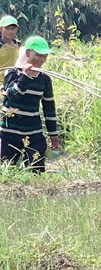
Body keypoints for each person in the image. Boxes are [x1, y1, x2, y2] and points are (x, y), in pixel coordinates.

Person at [2, 36, 62, 173]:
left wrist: (53, 134)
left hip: (34, 131)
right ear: (28, 53)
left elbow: (49, 108)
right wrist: (26, 77)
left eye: (44, 56)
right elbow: (11, 97)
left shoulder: (44, 79)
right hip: (10, 131)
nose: (41, 60)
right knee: (6, 171)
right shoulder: (12, 73)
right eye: (38, 55)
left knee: (36, 170)